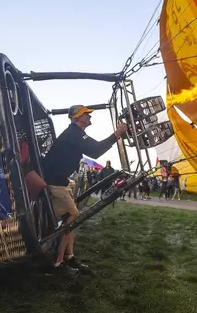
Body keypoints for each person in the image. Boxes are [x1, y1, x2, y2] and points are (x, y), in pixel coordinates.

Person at [41, 105, 128, 277]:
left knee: (71, 219)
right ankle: (57, 264)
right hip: (55, 182)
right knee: (72, 217)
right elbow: (95, 150)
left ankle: (69, 256)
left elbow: (95, 148)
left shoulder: (77, 133)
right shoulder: (74, 133)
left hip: (61, 181)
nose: (89, 116)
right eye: (85, 114)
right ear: (76, 118)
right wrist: (117, 134)